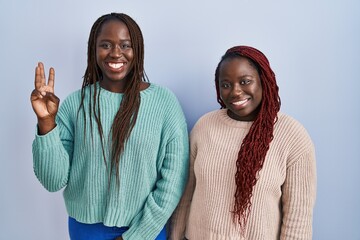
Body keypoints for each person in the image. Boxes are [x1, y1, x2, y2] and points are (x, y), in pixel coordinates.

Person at [30, 13, 189, 240]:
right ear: (93, 51)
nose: (116, 53)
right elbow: (52, 181)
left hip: (146, 231)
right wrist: (46, 123)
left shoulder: (164, 103)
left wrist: (134, 236)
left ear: (138, 50)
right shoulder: (75, 104)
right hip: (87, 231)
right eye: (105, 45)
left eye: (126, 45)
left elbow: (173, 180)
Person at [169, 45, 317, 239]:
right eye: (226, 84)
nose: (235, 92)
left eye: (245, 81)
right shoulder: (204, 127)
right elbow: (186, 194)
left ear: (264, 81)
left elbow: (298, 219)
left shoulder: (292, 135)